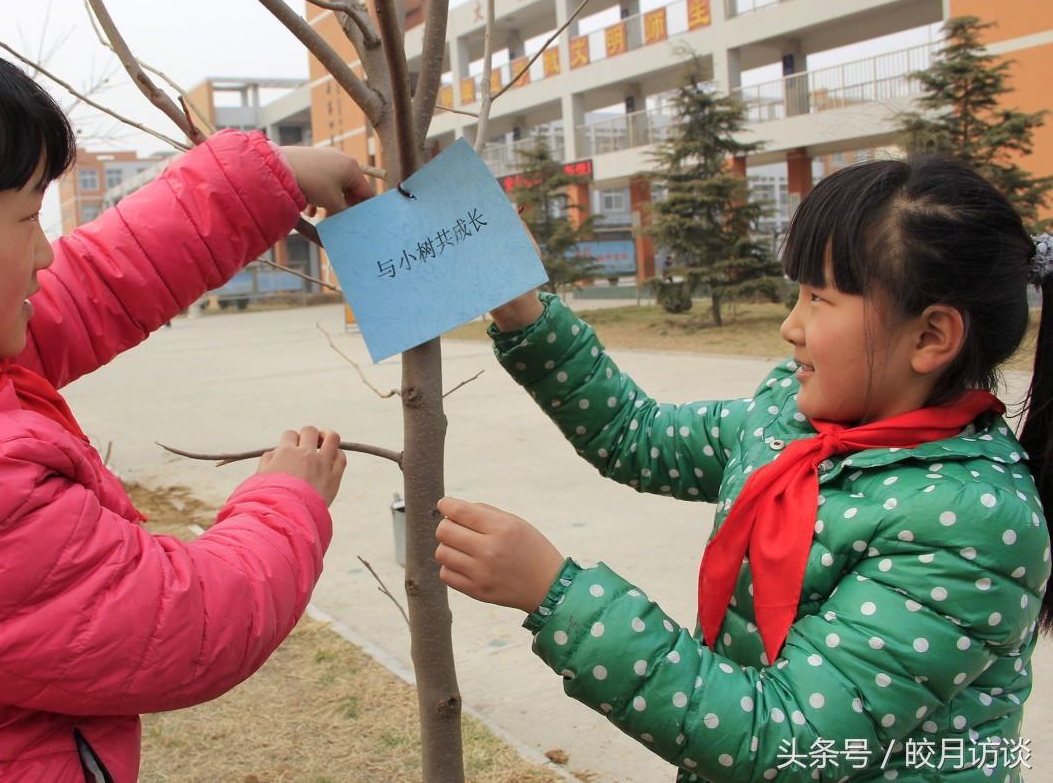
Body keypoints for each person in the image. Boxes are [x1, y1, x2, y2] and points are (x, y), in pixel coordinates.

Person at [0, 21, 371, 780]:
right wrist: (286, 498)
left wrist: (265, 180)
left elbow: (100, 280)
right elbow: (185, 625)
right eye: (27, 218)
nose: (47, 250)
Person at [435, 157, 1053, 781]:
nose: (791, 325)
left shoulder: (969, 521)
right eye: (797, 294)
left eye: (820, 299)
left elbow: (788, 738)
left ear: (930, 338)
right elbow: (635, 436)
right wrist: (522, 310)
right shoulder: (790, 418)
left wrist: (557, 596)